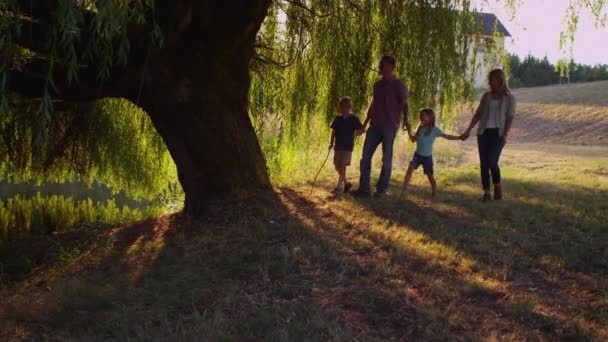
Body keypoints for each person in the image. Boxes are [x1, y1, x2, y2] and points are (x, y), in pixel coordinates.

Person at [355, 55, 410, 197]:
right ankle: (364, 189)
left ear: (392, 67)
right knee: (365, 157)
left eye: (384, 65)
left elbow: (404, 104)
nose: (381, 68)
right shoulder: (377, 86)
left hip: (389, 127)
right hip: (374, 127)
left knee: (386, 159)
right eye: (381, 65)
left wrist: (406, 120)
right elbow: (372, 106)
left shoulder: (399, 85)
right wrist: (364, 124)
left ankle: (381, 190)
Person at [462, 68, 516, 202]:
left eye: (492, 80)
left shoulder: (510, 99)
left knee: (492, 161)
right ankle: (486, 192)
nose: (490, 82)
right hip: (483, 133)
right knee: (484, 164)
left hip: (498, 134)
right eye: (489, 80)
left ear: (500, 80)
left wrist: (504, 136)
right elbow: (478, 114)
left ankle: (497, 184)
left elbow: (509, 118)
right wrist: (468, 129)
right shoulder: (486, 97)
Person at [402, 109, 464, 197]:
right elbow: (413, 139)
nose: (421, 117)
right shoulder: (420, 127)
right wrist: (409, 130)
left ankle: (434, 190)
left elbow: (447, 136)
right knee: (409, 170)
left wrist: (459, 137)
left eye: (424, 115)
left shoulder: (435, 130)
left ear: (431, 117)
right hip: (417, 155)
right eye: (420, 115)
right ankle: (404, 190)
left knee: (430, 175)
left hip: (427, 157)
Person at [329, 97, 364, 193]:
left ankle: (338, 187)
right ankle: (346, 183)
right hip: (338, 145)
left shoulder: (354, 119)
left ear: (350, 107)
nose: (345, 108)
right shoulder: (337, 118)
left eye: (347, 106)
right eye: (343, 106)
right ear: (340, 107)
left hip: (348, 146)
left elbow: (361, 130)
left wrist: (357, 133)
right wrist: (331, 142)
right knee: (337, 165)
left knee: (343, 166)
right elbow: (333, 131)